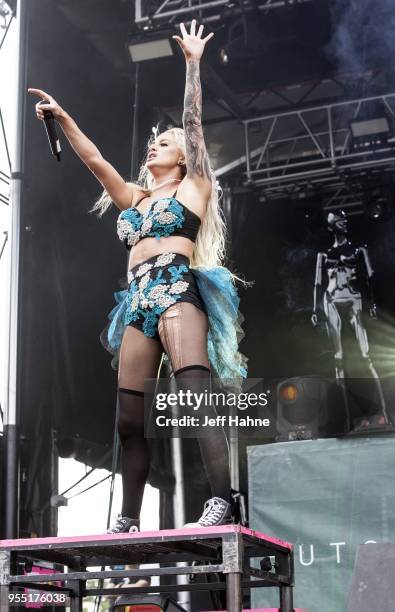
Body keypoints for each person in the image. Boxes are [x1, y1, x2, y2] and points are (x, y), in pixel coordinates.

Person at [28, 19, 247, 534]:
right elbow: (94, 159)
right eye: (153, 143)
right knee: (129, 420)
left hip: (177, 289)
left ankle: (224, 501)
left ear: (182, 156)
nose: (154, 147)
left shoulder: (193, 187)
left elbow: (193, 125)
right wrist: (62, 117)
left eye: (163, 144)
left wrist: (193, 67)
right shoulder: (136, 197)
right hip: (137, 299)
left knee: (193, 401)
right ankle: (127, 519)